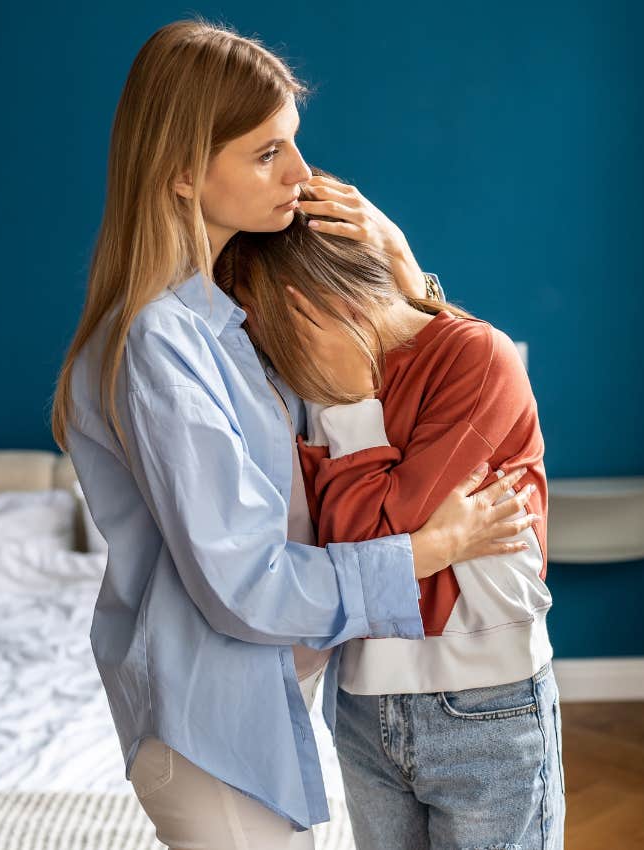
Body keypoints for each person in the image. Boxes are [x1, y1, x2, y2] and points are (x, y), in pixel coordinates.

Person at [50, 18, 539, 850]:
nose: (302, 175)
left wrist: (405, 269)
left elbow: (380, 390)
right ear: (179, 173)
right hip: (212, 739)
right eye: (267, 152)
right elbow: (242, 584)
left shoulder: (224, 322)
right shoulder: (162, 343)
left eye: (295, 144)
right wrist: (427, 550)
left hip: (255, 723)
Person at [214, 178, 565, 849]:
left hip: (486, 707)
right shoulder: (308, 385)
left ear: (322, 308)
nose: (261, 354)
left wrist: (349, 407)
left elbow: (373, 541)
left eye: (264, 328)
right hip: (363, 710)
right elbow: (356, 564)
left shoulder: (476, 357)